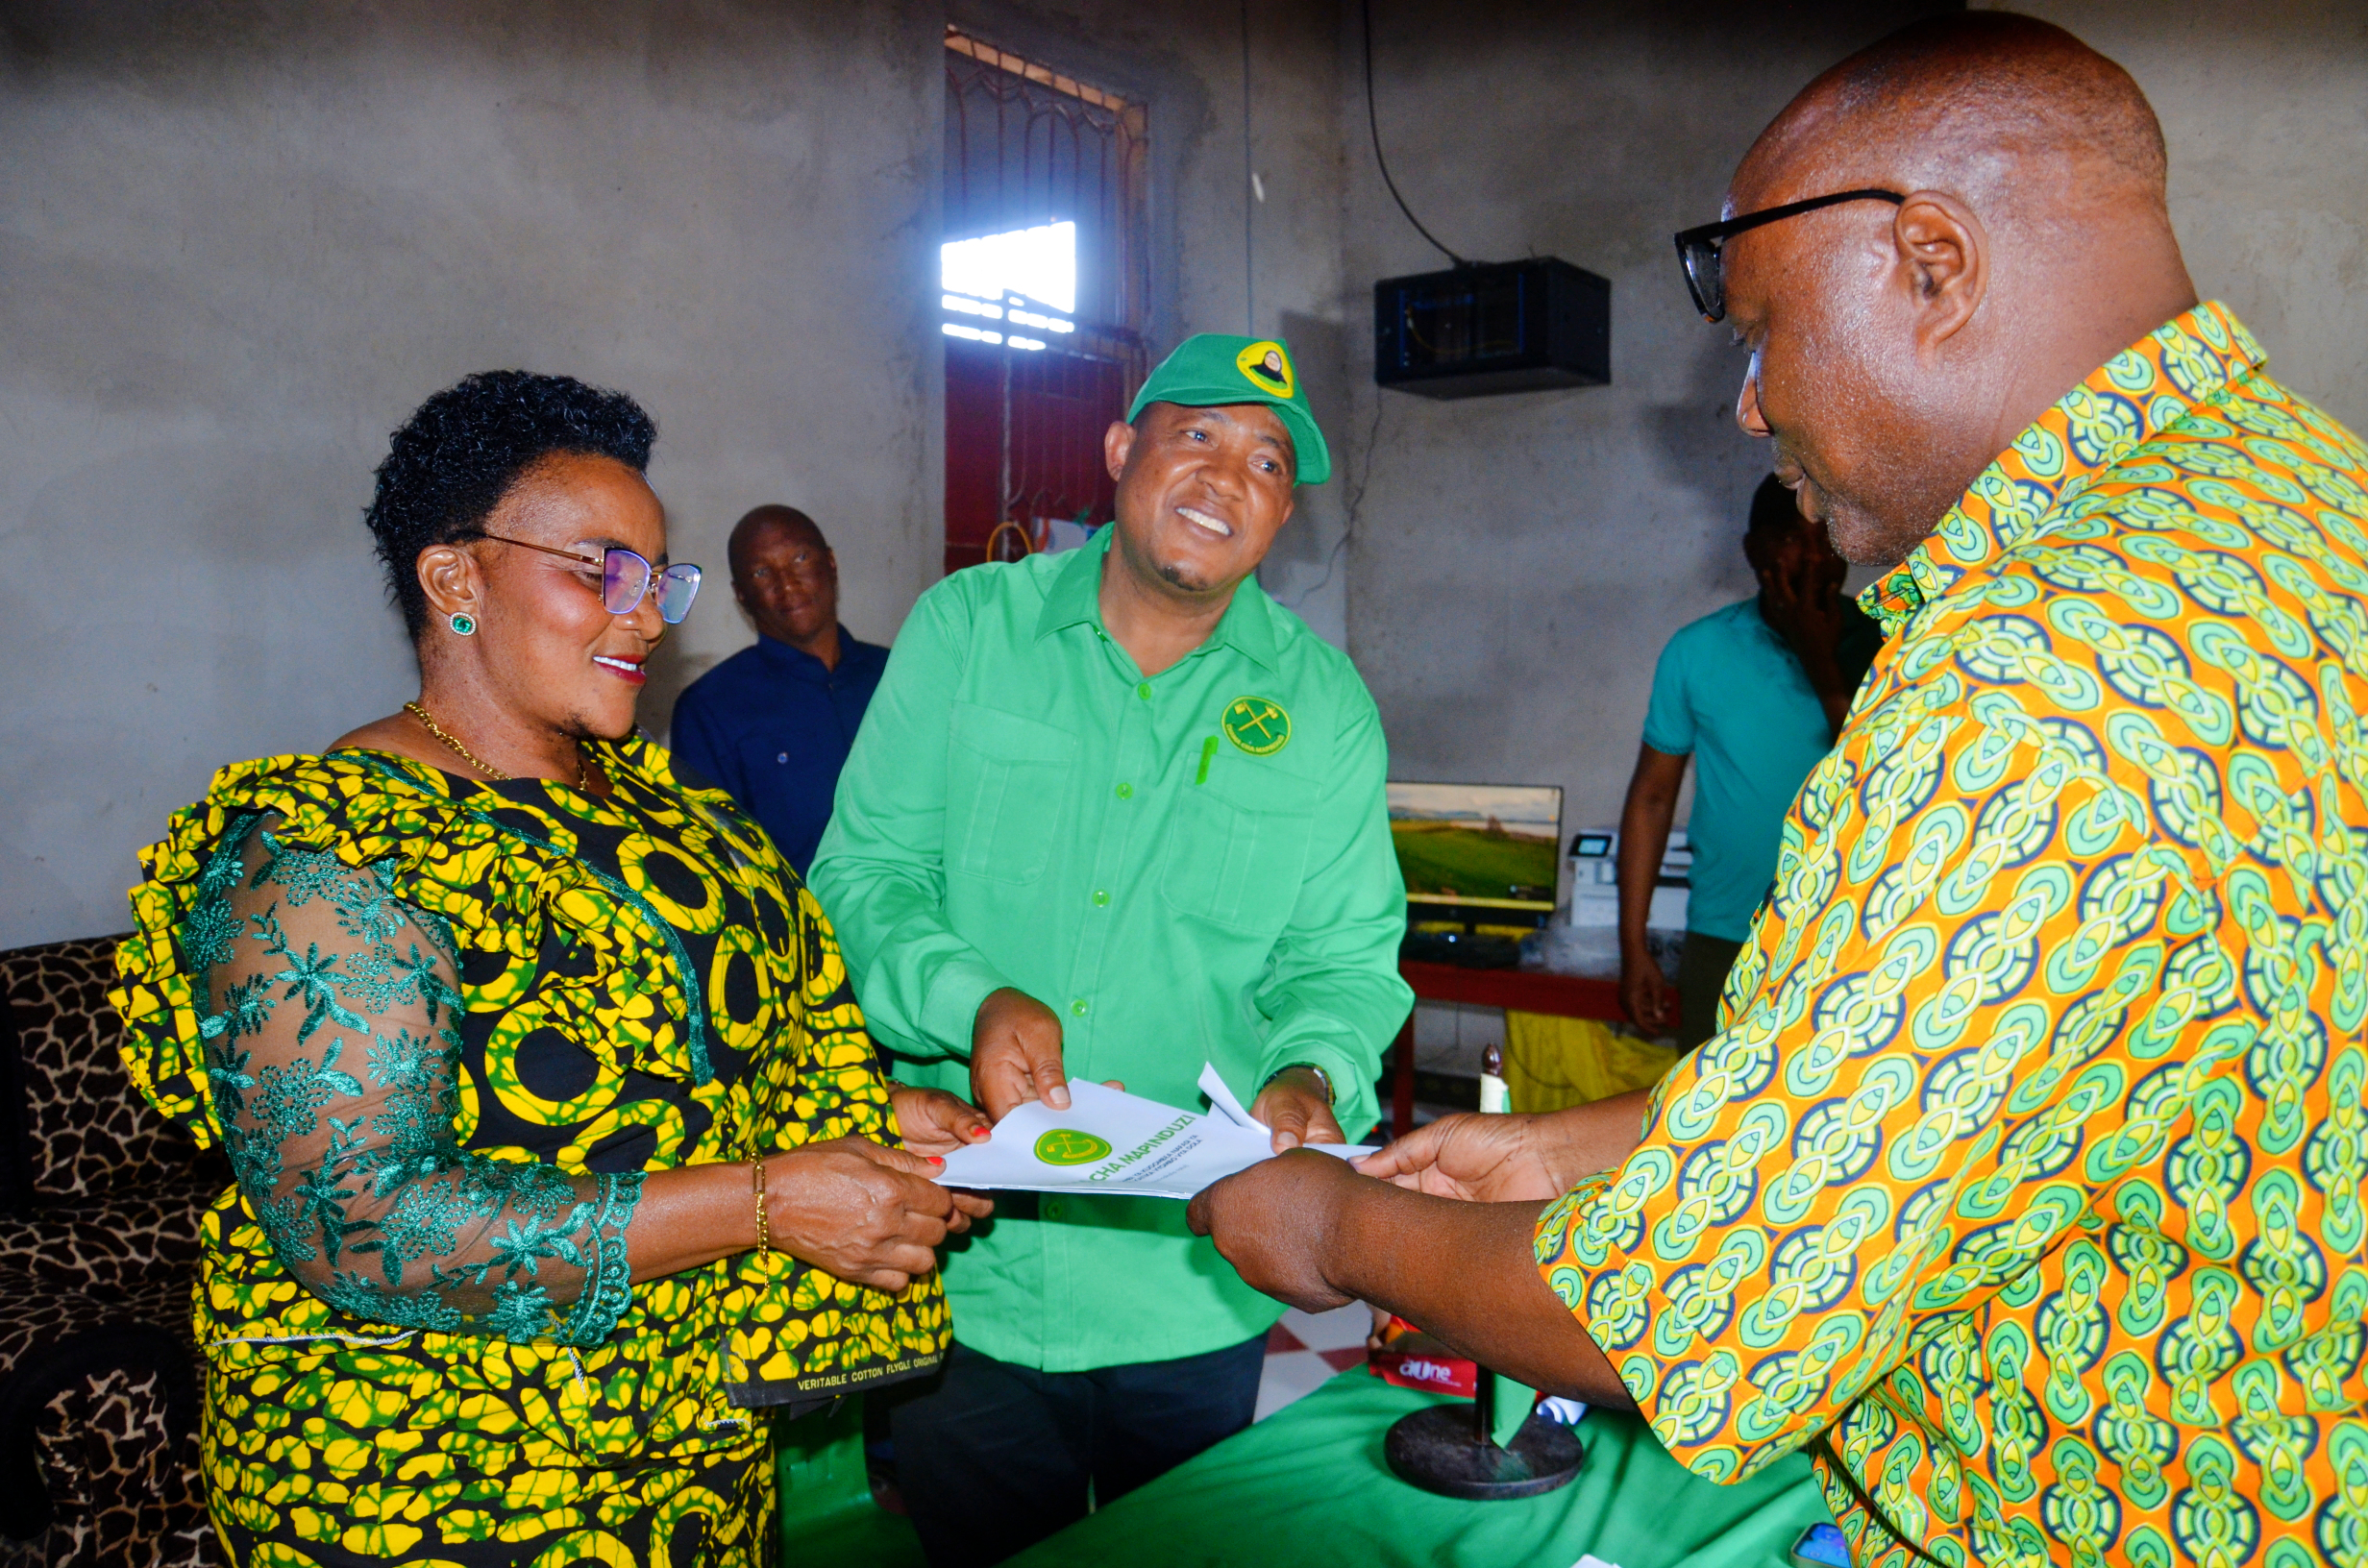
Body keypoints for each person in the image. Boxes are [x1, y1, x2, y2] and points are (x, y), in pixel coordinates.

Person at [1186, 15, 2368, 1568]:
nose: (1747, 405)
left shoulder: (2032, 668)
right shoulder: (2307, 511)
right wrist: (1566, 1147)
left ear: (1931, 263)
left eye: (1757, 333)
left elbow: (1695, 1310)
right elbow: (1999, 1085)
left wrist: (1335, 1226)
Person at [108, 371, 992, 1565]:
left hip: (686, 1447)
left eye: (658, 578)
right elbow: (364, 1224)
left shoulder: (656, 812)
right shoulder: (330, 855)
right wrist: (772, 1200)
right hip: (441, 1486)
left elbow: (659, 1075)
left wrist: (869, 1121)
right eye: (599, 570)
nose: (646, 616)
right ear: (454, 579)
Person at [809, 334, 1412, 1566]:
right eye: (1197, 436)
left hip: (1191, 1279)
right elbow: (862, 877)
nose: (1227, 476)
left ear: (1282, 514)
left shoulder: (1323, 708)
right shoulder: (970, 629)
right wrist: (973, 999)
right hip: (961, 1258)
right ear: (1121, 448)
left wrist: (1309, 1070)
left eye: (1267, 463)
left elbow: (1345, 957)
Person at [1619, 475, 1879, 1050]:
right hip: (1725, 937)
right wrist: (1633, 946)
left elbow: (1881, 778)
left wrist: (1820, 658)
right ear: (1754, 551)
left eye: (1827, 537)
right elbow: (1652, 798)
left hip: (1855, 935)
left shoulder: (1893, 643)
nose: (1813, 556)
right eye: (1790, 539)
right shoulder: (1698, 650)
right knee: (1706, 1103)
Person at [671, 504, 889, 874]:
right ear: (741, 594)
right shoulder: (709, 709)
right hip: (799, 910)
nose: (786, 584)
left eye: (800, 558)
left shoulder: (894, 673)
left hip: (918, 902)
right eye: (761, 572)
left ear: (831, 563)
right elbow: (715, 862)